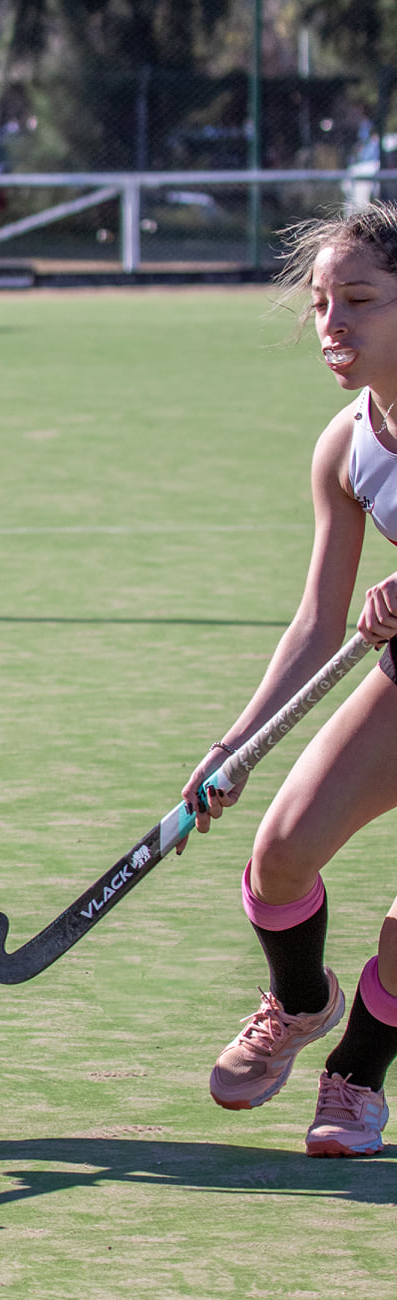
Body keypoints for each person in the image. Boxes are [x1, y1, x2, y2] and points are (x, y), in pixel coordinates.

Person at [183, 203, 397, 1159]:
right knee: (278, 856)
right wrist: (237, 747)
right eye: (320, 304)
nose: (333, 324)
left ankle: (356, 1074)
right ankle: (301, 1000)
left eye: (361, 300)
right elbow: (319, 619)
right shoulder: (346, 447)